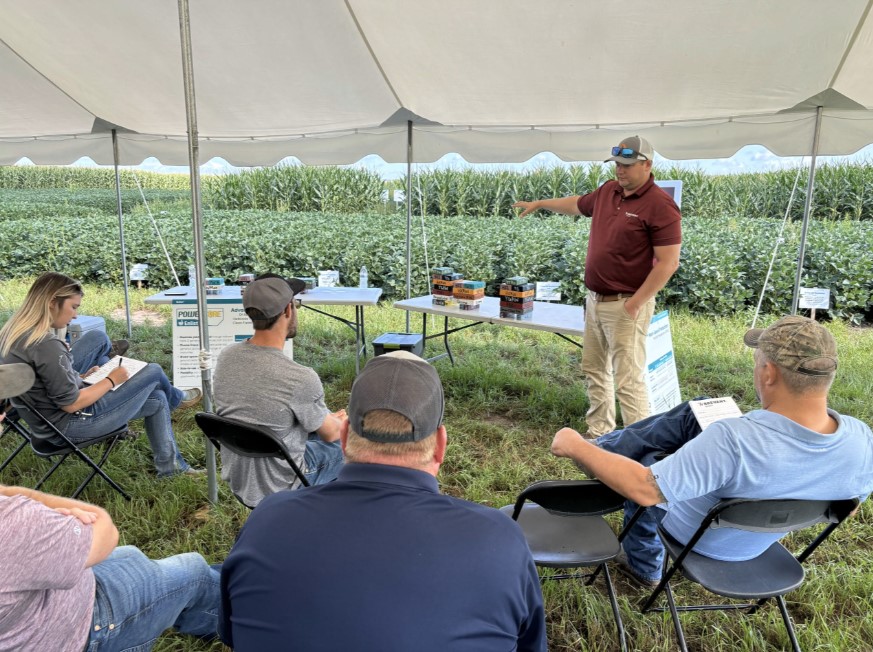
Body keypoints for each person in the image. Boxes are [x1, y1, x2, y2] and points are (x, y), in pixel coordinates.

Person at [219, 351, 546, 651]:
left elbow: (231, 633)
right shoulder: (500, 539)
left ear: (344, 437)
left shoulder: (267, 519)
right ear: (440, 446)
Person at [549, 316, 873, 587]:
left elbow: (644, 489)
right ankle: (605, 449)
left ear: (769, 373)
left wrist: (573, 443)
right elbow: (849, 508)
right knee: (700, 408)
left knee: (647, 462)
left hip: (698, 538)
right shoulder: (862, 441)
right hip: (755, 542)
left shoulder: (733, 440)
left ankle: (642, 564)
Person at [513, 136, 682, 437]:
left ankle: (638, 446)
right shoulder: (608, 191)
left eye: (627, 165)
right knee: (594, 368)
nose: (620, 170)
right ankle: (600, 433)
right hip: (595, 300)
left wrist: (635, 303)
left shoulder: (660, 205)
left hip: (627, 304)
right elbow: (577, 204)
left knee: (628, 380)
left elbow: (668, 263)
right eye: (617, 164)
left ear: (647, 165)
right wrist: (541, 203)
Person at [0, 272, 202, 478]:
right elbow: (71, 404)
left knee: (157, 399)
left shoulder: (13, 334)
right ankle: (177, 399)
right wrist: (111, 380)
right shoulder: (46, 345)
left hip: (45, 427)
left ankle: (171, 468)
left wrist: (80, 377)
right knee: (153, 371)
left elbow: (47, 383)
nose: (75, 316)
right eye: (73, 307)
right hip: (71, 427)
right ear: (52, 302)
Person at [0, 483, 220, 651]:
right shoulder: (12, 519)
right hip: (83, 631)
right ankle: (233, 623)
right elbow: (105, 530)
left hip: (37, 614)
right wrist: (20, 496)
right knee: (194, 571)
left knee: (131, 556)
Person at [212, 274, 344, 506]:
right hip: (285, 481)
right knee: (356, 444)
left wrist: (326, 418)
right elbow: (332, 435)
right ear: (287, 310)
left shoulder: (226, 357)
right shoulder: (300, 378)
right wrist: (343, 423)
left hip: (240, 477)